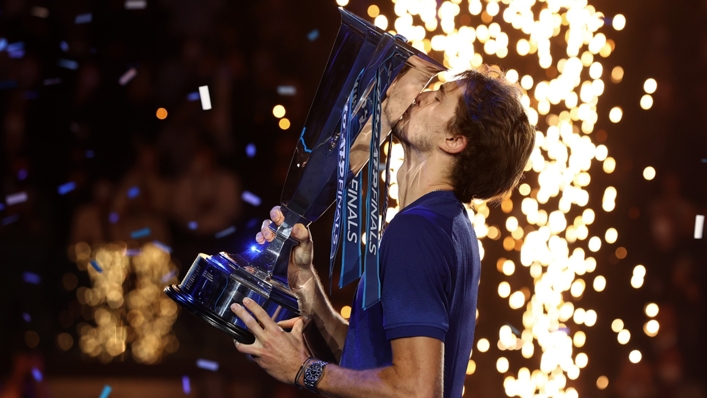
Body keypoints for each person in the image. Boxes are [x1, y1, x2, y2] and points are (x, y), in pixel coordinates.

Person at [229, 64, 535, 397]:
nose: (421, 95)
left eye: (440, 96)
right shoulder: (449, 225)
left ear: (454, 139)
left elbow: (418, 391)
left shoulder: (418, 231)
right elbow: (368, 362)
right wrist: (306, 286)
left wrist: (303, 370)